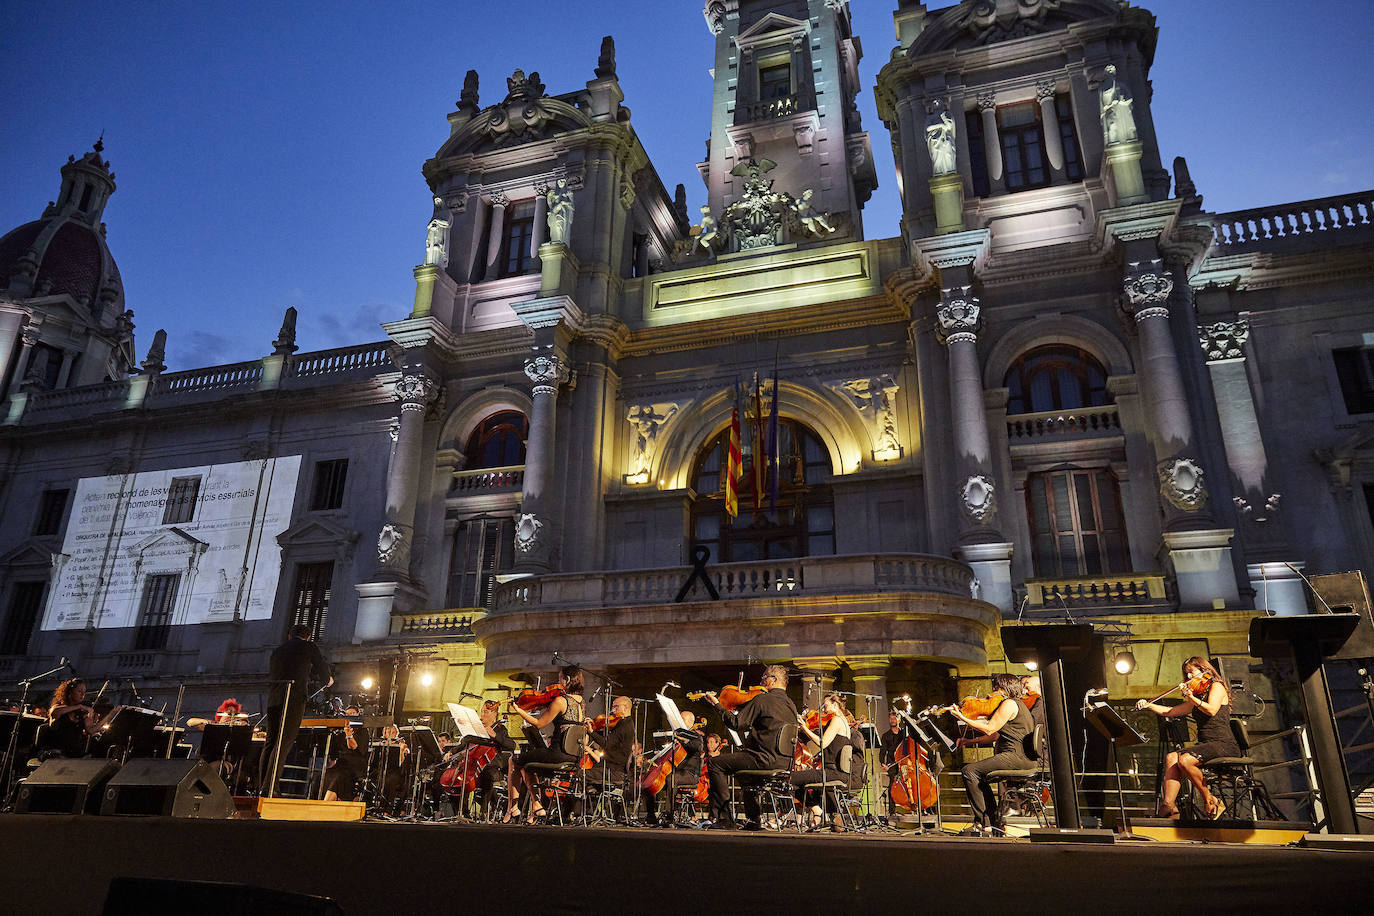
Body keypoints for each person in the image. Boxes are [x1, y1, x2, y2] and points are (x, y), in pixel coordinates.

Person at [1135, 656, 1237, 819]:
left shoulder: (1216, 686)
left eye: (1191, 672)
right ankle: (1169, 805)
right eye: (1186, 674)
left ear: (1204, 670)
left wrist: (1191, 697)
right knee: (1172, 757)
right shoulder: (1198, 696)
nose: (1188, 677)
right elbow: (1170, 711)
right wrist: (1148, 705)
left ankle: (1211, 801)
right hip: (1206, 744)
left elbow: (1211, 710)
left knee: (1185, 760)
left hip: (1223, 743)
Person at [703, 664, 798, 830]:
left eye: (764, 678)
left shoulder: (763, 699)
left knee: (715, 763)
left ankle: (725, 819)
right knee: (745, 773)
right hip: (783, 763)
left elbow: (736, 723)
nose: (761, 681)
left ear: (773, 680)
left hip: (763, 759)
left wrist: (717, 705)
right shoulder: (790, 704)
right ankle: (754, 820)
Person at [949, 672, 1037, 836]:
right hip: (1023, 758)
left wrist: (961, 716)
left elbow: (989, 727)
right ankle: (992, 823)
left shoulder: (1009, 703)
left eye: (996, 687)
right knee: (978, 775)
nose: (994, 691)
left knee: (969, 771)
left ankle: (984, 824)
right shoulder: (1018, 705)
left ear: (1004, 687)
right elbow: (995, 735)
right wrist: (969, 741)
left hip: (1015, 757)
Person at [259, 624, 332, 797]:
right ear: (308, 637)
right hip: (292, 699)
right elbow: (322, 669)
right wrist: (328, 680)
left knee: (270, 742)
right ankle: (270, 788)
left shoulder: (277, 651)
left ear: (289, 636)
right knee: (284, 742)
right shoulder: (308, 647)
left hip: (274, 698)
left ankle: (260, 785)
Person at [508, 666, 585, 823]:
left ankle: (515, 807)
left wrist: (518, 709)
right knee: (529, 764)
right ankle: (536, 806)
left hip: (556, 754)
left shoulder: (560, 701)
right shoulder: (581, 703)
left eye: (560, 678)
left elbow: (538, 723)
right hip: (572, 757)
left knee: (514, 760)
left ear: (567, 680)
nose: (558, 682)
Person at [791, 693, 856, 831]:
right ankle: (825, 813)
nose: (824, 710)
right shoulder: (844, 721)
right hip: (836, 771)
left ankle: (817, 811)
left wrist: (804, 728)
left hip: (831, 772)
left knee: (788, 779)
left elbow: (822, 743)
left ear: (835, 705)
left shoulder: (837, 720)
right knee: (801, 779)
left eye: (826, 706)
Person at [639, 711, 705, 827]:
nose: (679, 721)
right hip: (675, 772)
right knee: (650, 782)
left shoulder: (696, 737)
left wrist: (683, 738)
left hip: (690, 774)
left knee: (671, 778)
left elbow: (696, 747)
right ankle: (651, 816)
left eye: (682, 719)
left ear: (690, 722)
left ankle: (669, 815)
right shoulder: (678, 737)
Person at [45, 678, 100, 758]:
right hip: (56, 750)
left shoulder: (81, 713)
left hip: (73, 752)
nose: (82, 695)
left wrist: (111, 714)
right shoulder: (58, 707)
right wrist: (79, 706)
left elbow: (91, 730)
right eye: (79, 691)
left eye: (84, 692)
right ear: (70, 692)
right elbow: (55, 712)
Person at [323, 706, 369, 803]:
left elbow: (354, 747)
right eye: (347, 714)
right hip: (342, 763)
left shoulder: (363, 730)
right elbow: (336, 748)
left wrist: (349, 735)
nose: (349, 716)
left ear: (357, 714)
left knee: (339, 776)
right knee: (325, 775)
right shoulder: (341, 730)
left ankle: (327, 803)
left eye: (352, 713)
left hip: (355, 765)